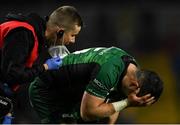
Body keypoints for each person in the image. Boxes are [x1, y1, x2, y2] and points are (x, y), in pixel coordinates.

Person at [29, 46, 163, 124]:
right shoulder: (110, 70)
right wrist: (127, 103)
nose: (134, 101)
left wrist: (125, 101)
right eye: (136, 99)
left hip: (75, 95)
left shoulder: (133, 73)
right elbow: (87, 113)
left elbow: (113, 105)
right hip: (47, 90)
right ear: (135, 86)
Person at [0, 5, 83, 123]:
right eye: (72, 35)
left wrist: (7, 109)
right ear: (60, 32)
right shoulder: (22, 33)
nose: (73, 41)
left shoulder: (36, 37)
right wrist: (45, 67)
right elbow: (13, 75)